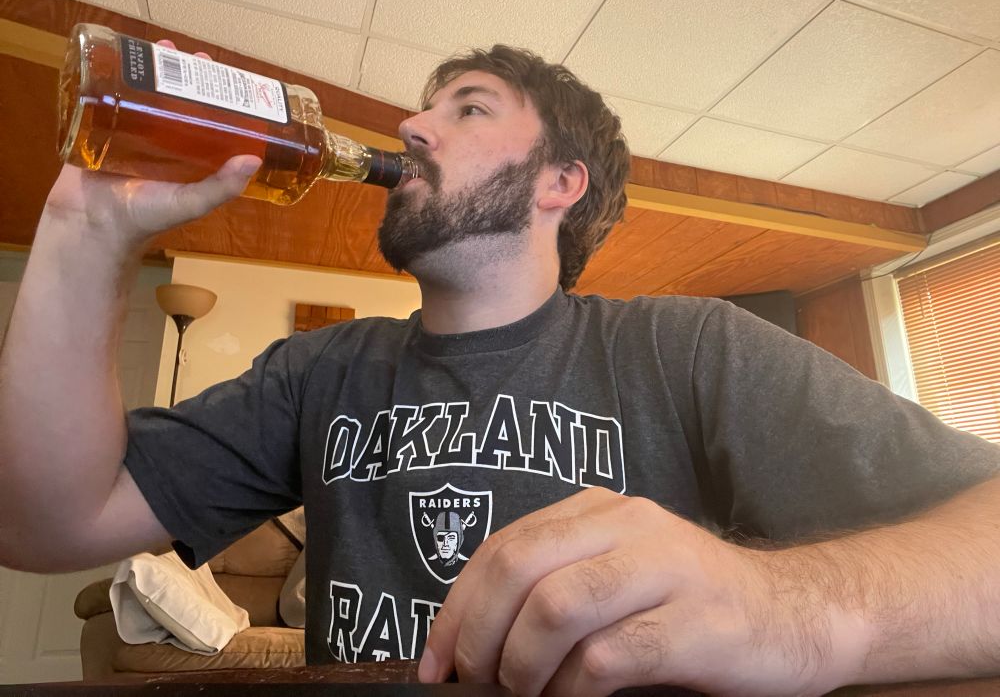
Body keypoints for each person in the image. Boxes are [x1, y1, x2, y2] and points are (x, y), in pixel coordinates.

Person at [1, 39, 999, 697]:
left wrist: (785, 605)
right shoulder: (319, 369)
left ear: (561, 180)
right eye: (423, 109)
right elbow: (43, 524)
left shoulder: (690, 347)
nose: (410, 128)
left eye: (468, 108)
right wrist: (86, 230)